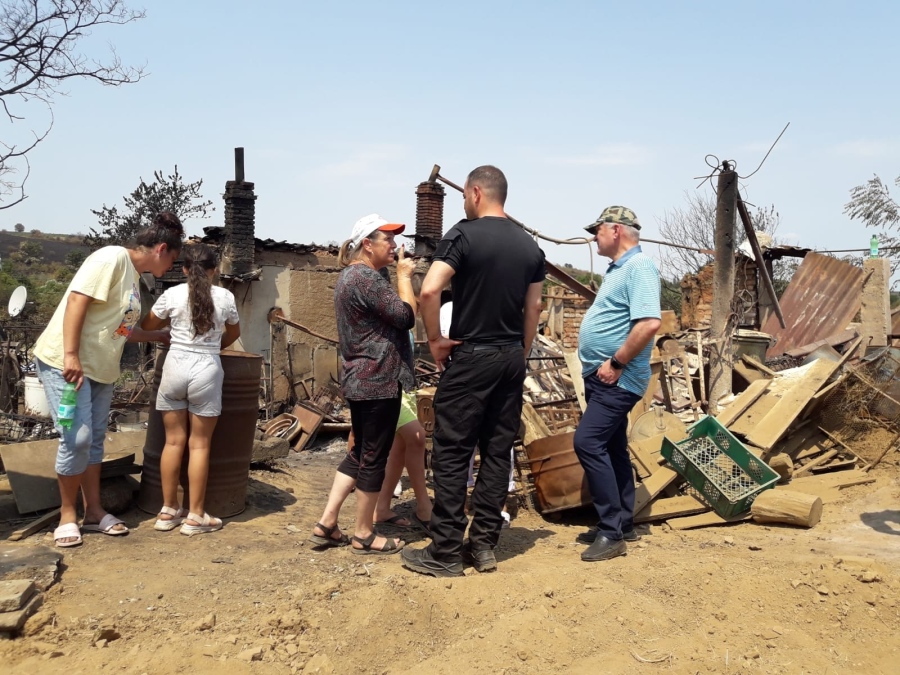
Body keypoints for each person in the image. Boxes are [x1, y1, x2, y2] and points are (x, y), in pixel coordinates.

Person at [401, 165, 545, 577]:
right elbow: (533, 307)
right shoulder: (529, 247)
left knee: (452, 451)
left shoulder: (463, 235)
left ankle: (445, 551)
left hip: (471, 356)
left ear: (476, 193)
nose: (464, 202)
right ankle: (483, 547)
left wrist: (434, 339)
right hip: (510, 357)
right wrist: (521, 349)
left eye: (465, 195)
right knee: (498, 453)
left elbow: (429, 289)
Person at [34, 212, 184, 547]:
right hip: (67, 363)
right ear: (161, 248)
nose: (170, 267)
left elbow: (118, 330)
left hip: (101, 370)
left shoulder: (134, 278)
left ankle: (94, 512)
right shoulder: (112, 258)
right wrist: (71, 355)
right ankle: (67, 515)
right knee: (77, 438)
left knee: (95, 441)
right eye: (172, 259)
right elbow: (77, 300)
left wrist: (155, 335)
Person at [309, 213, 416, 555]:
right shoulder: (367, 279)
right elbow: (405, 316)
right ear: (368, 244)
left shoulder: (351, 276)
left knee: (359, 453)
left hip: (361, 378)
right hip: (378, 380)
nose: (396, 246)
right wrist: (403, 277)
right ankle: (364, 533)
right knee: (373, 458)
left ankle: (327, 522)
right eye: (389, 239)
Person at [572, 206, 661, 562]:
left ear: (616, 230)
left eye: (597, 230)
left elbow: (649, 323)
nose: (594, 237)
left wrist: (617, 362)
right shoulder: (619, 269)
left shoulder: (639, 267)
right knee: (611, 447)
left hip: (617, 377)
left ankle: (611, 532)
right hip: (603, 375)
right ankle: (624, 522)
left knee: (587, 442)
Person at [141, 243, 241, 535]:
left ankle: (167, 511)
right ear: (214, 270)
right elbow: (234, 333)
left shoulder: (171, 294)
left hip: (174, 366)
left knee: (173, 443)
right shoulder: (225, 297)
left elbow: (148, 324)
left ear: (183, 269)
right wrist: (213, 348)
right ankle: (196, 516)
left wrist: (166, 335)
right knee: (199, 445)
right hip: (206, 369)